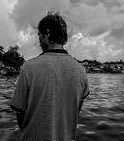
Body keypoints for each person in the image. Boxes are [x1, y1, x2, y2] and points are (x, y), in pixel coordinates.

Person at [10, 12, 90, 141]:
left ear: (47, 33)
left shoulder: (28, 68)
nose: (39, 42)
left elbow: (20, 113)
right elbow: (76, 111)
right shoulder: (81, 71)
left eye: (40, 36)